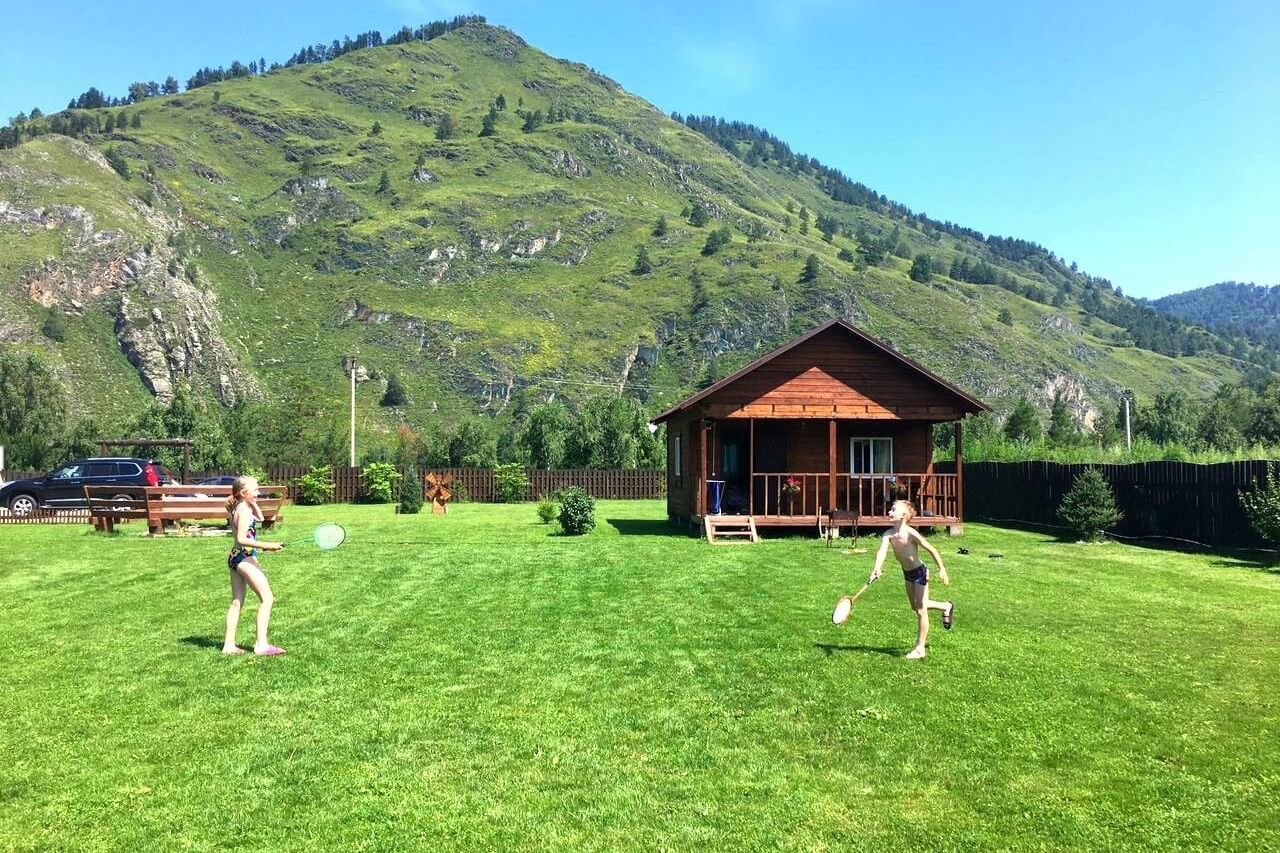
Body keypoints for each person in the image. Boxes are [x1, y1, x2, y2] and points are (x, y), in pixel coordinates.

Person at [869, 499, 953, 659]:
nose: (889, 512)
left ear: (903, 516)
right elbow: (882, 552)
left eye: (893, 510)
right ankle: (945, 606)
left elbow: (931, 549)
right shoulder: (888, 534)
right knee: (915, 606)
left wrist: (942, 569)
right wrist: (876, 568)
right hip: (907, 573)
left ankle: (920, 648)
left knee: (921, 611)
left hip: (920, 572)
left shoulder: (910, 533)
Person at [222, 475, 285, 656]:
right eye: (255, 490)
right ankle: (261, 645)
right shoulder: (243, 510)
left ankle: (228, 645)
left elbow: (259, 517)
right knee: (267, 597)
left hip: (235, 557)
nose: (259, 492)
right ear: (243, 492)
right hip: (244, 556)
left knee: (236, 602)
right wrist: (268, 546)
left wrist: (252, 501)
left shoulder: (242, 507)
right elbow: (242, 539)